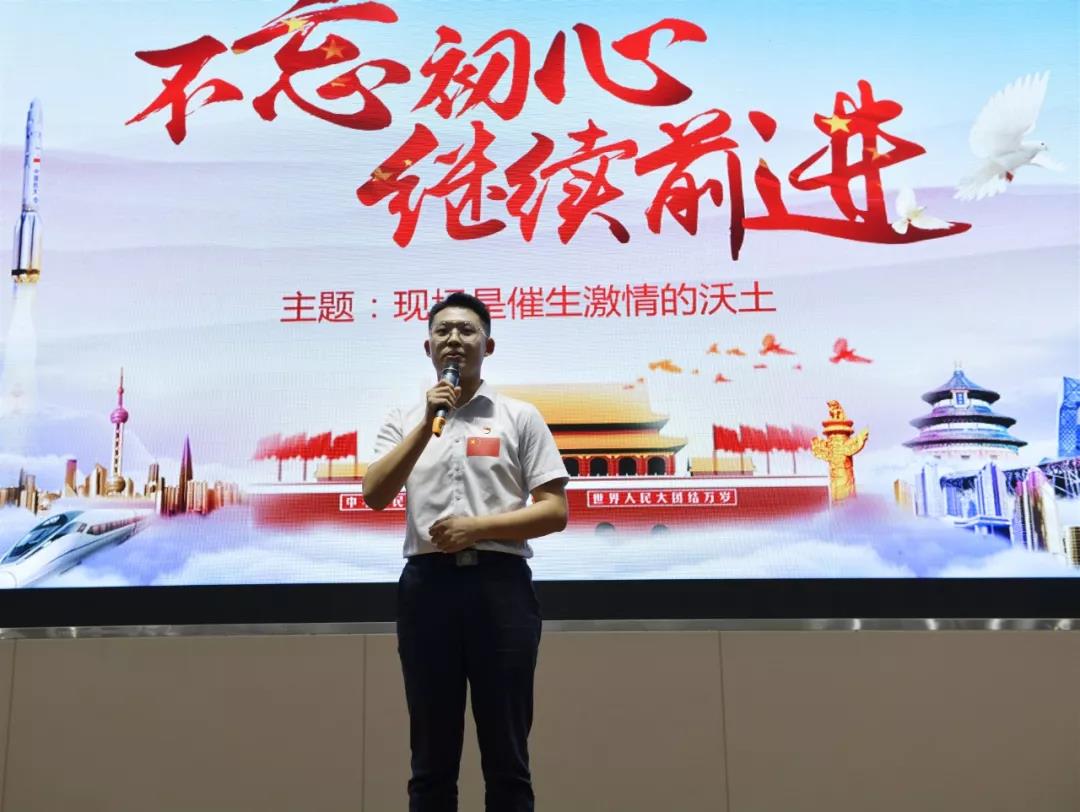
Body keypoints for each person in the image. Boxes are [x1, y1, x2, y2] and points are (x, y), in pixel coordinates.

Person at [364, 292, 569, 812]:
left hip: (500, 589)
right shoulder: (405, 418)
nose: (454, 339)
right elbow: (375, 494)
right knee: (430, 763)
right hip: (427, 591)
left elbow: (554, 510)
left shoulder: (519, 417)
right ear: (427, 346)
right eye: (443, 331)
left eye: (467, 330)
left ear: (488, 345)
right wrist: (424, 424)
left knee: (507, 760)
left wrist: (477, 529)